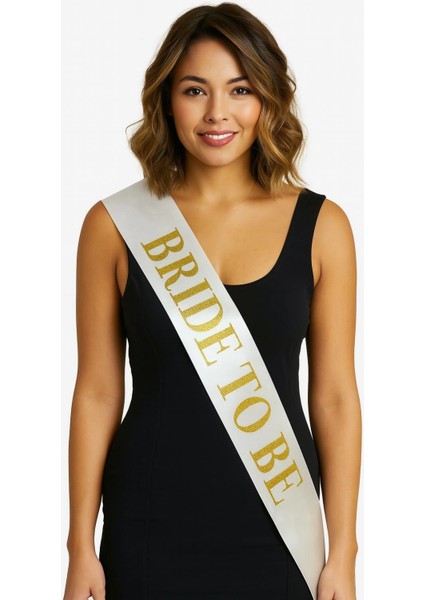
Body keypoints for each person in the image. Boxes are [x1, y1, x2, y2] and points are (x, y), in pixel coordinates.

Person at [63, 3, 362, 599]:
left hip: (280, 525)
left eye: (240, 89)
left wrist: (344, 553)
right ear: (166, 100)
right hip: (147, 520)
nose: (217, 113)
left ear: (268, 100)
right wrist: (79, 548)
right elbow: (97, 392)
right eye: (195, 90)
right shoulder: (113, 225)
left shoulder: (323, 226)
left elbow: (333, 396)